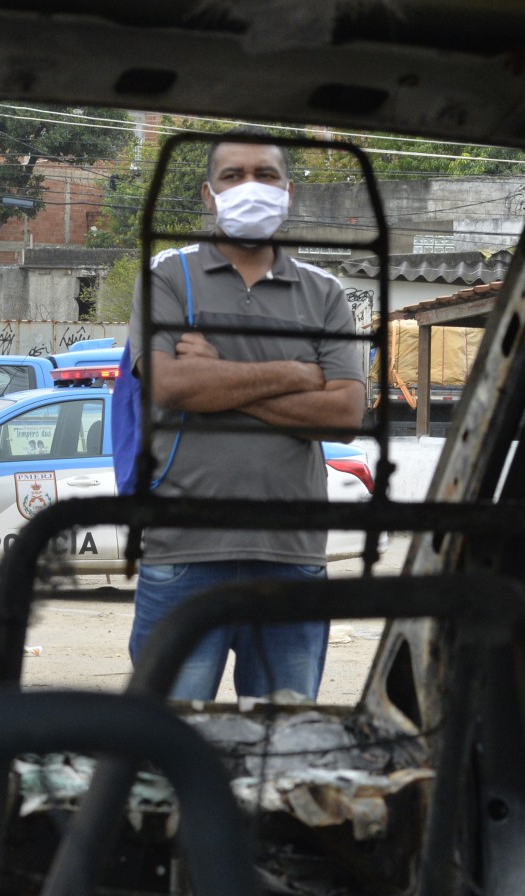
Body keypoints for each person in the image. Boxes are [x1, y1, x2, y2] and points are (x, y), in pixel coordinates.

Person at [124, 136, 367, 701]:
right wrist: (298, 373)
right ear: (208, 195)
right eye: (233, 176)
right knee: (170, 743)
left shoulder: (325, 293)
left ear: (288, 191)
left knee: (279, 747)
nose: (250, 187)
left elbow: (345, 414)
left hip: (292, 555)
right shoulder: (168, 279)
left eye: (265, 174)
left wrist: (221, 377)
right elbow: (171, 384)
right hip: (184, 552)